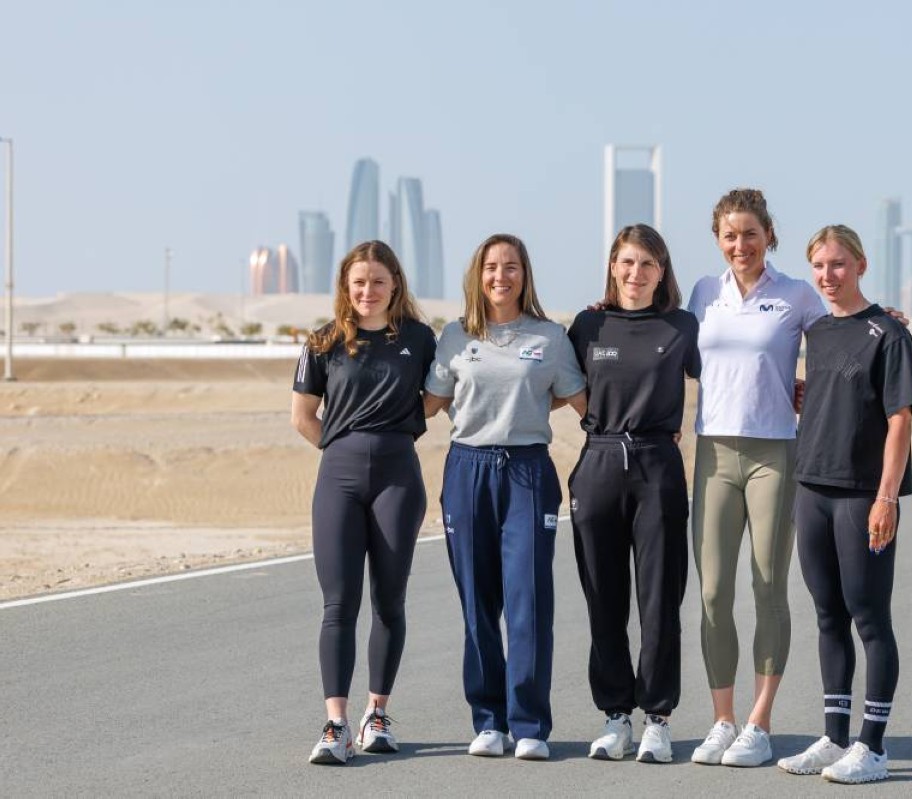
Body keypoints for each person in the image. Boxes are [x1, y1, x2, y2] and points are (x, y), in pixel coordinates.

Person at [424, 233, 587, 762]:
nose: (501, 276)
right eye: (492, 267)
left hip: (527, 472)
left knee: (528, 600)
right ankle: (489, 720)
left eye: (511, 266)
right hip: (467, 468)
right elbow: (428, 403)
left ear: (524, 274)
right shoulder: (455, 336)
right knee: (478, 601)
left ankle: (530, 724)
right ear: (478, 274)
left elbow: (579, 398)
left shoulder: (550, 337)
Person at [686, 189, 828, 767]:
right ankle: (722, 720)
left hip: (775, 453)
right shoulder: (703, 292)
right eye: (730, 235)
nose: (740, 244)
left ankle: (759, 724)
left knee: (768, 586)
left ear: (769, 234)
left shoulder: (796, 295)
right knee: (713, 592)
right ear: (717, 239)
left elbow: (840, 340)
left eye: (750, 233)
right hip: (713, 453)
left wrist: (882, 320)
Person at [776, 225, 912, 784]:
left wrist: (887, 497)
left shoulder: (889, 334)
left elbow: (899, 420)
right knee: (827, 615)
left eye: (837, 264)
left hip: (862, 494)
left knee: (869, 618)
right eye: (818, 266)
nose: (827, 275)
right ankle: (835, 738)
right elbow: (832, 394)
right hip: (812, 487)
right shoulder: (818, 330)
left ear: (861, 264)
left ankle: (872, 747)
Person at [292, 240, 437, 765]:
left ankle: (378, 714)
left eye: (378, 281)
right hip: (339, 479)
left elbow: (435, 399)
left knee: (389, 599)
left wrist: (392, 437)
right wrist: (343, 450)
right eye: (359, 282)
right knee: (339, 603)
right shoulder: (323, 341)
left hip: (399, 478)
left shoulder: (419, 339)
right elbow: (303, 416)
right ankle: (336, 723)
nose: (368, 291)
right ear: (345, 286)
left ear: (395, 284)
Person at [566, 224, 700, 764]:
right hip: (598, 464)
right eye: (626, 262)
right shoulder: (588, 324)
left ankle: (657, 719)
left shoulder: (682, 325)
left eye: (647, 263)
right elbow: (556, 381)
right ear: (612, 267)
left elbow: (736, 364)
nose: (635, 273)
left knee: (660, 601)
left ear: (662, 271)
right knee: (604, 599)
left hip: (657, 469)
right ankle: (615, 716)